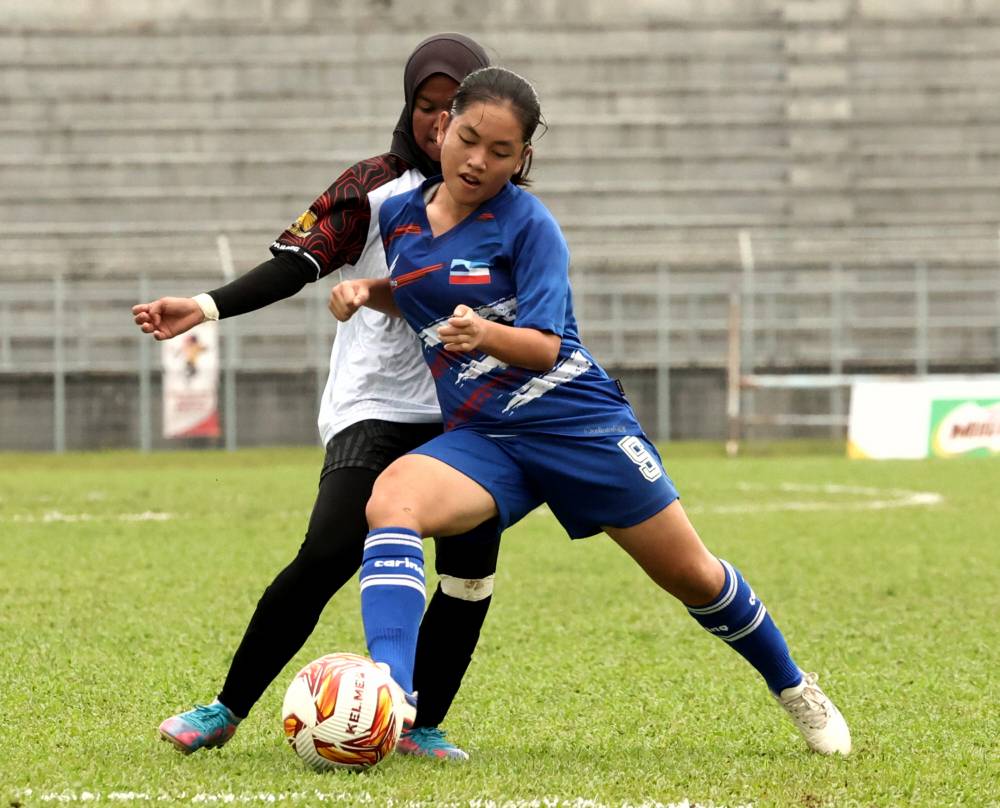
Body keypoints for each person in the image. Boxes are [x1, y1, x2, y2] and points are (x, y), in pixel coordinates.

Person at [328, 66, 852, 756]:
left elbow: (544, 348)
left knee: (692, 574)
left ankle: (793, 687)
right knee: (391, 498)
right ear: (443, 127)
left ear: (525, 159)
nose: (479, 160)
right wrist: (372, 290)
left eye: (502, 151)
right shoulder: (397, 214)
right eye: (468, 138)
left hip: (577, 425)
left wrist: (484, 334)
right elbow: (423, 291)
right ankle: (392, 692)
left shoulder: (529, 225)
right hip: (487, 437)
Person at [133, 33, 498, 762]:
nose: (436, 125)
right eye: (425, 108)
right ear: (410, 108)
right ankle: (226, 707)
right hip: (376, 408)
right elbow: (294, 265)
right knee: (329, 550)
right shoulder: (375, 185)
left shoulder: (505, 204)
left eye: (450, 110)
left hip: (463, 413)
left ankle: (420, 724)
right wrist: (202, 308)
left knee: (467, 573)